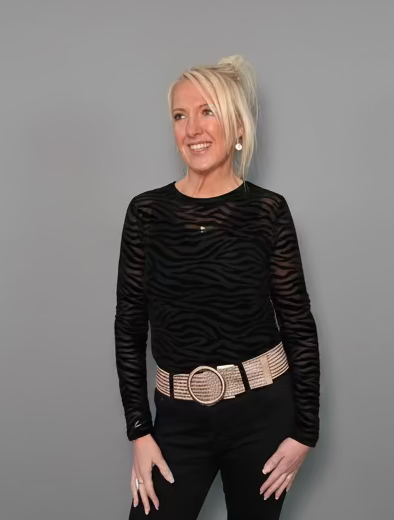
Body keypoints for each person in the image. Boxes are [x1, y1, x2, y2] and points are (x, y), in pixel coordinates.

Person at [114, 54, 320, 520]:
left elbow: (297, 323)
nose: (192, 129)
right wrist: (139, 431)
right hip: (178, 421)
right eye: (180, 116)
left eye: (207, 111)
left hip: (263, 416)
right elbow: (129, 326)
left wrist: (306, 432)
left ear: (238, 125)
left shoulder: (268, 211)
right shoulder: (146, 213)